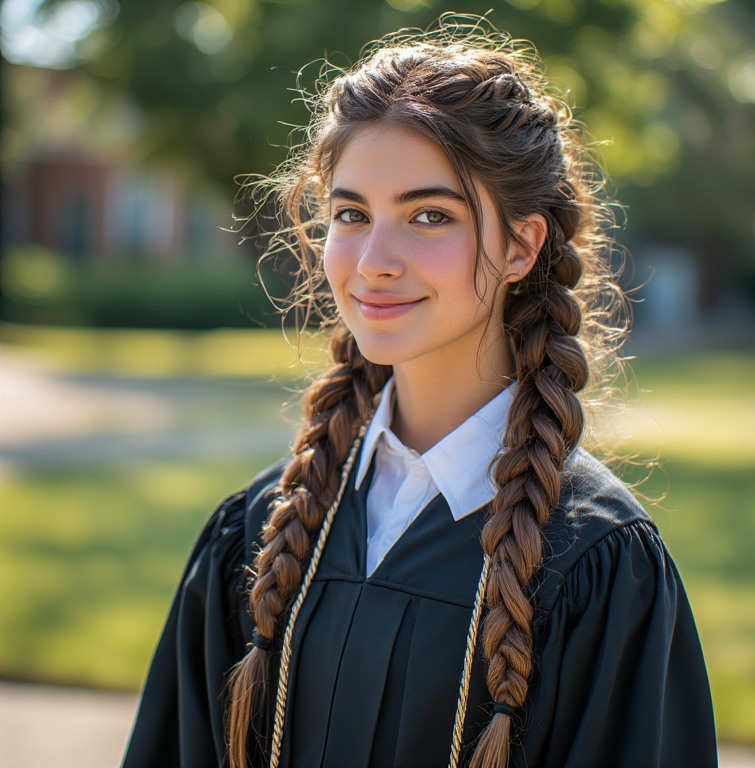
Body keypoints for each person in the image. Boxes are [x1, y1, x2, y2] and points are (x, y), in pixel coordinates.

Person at [122, 15, 716, 768]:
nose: (374, 260)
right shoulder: (259, 536)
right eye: (351, 215)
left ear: (522, 246)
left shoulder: (597, 565)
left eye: (428, 215)